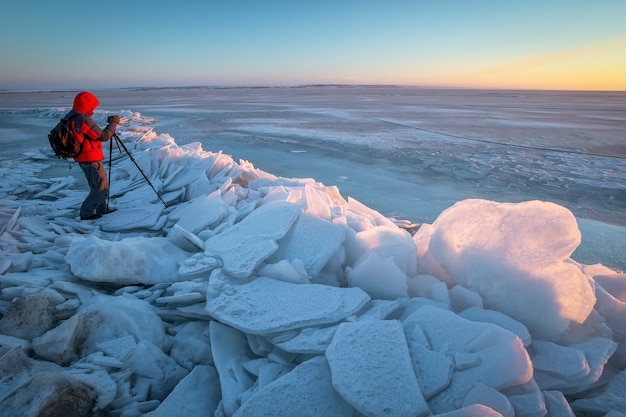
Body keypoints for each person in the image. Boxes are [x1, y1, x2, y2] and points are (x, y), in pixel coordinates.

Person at [66, 91, 120, 220]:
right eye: (92, 106)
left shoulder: (72, 116)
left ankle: (102, 208)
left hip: (82, 157)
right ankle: (86, 213)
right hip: (90, 157)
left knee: (96, 185)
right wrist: (113, 124)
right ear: (86, 105)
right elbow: (103, 136)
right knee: (101, 186)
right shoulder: (82, 119)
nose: (93, 109)